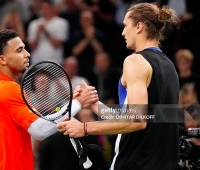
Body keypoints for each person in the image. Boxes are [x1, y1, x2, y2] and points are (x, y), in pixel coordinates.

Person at [57, 2, 181, 170]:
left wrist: (84, 128)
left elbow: (137, 121)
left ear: (139, 26)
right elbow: (142, 118)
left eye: (125, 25)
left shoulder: (134, 61)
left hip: (135, 163)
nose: (123, 32)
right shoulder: (169, 65)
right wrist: (96, 106)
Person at [0, 29, 98, 170]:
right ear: (2, 59)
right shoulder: (9, 89)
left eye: (25, 48)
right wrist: (77, 103)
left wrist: (72, 104)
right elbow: (40, 130)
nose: (27, 54)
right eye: (19, 50)